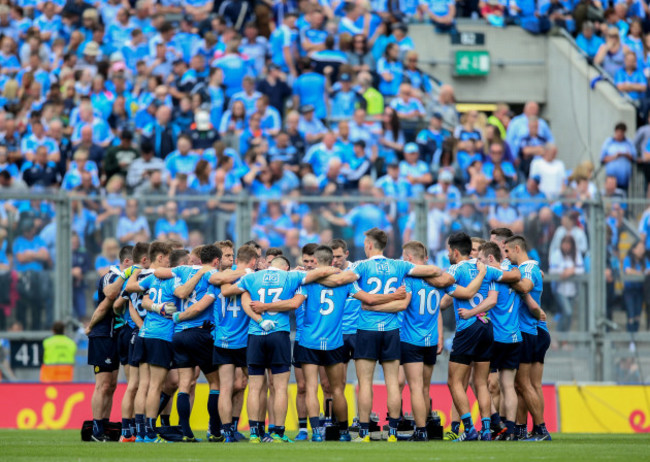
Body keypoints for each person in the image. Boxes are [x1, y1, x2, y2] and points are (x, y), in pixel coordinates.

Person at [314, 228, 443, 443]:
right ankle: (392, 432)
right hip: (392, 330)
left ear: (370, 245)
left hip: (367, 330)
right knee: (393, 383)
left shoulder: (362, 266)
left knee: (365, 383)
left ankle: (364, 432)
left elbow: (339, 280)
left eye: (365, 243)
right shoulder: (399, 265)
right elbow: (431, 271)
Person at [221, 256, 339, 443]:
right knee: (281, 387)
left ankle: (254, 434)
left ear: (270, 265)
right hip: (279, 333)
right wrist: (335, 270)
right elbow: (322, 272)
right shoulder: (291, 277)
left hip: (256, 334)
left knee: (255, 387)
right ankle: (278, 432)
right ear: (286, 267)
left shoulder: (252, 278)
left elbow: (227, 291)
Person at [433, 232, 519, 441]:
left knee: (455, 382)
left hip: (468, 327)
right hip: (487, 326)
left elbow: (446, 282)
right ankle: (487, 429)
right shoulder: (486, 268)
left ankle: (469, 428)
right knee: (481, 382)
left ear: (454, 251)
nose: (447, 254)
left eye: (448, 251)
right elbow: (514, 276)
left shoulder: (457, 268)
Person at [503, 234, 551, 441]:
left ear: (516, 248)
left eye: (507, 251)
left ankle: (540, 428)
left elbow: (525, 287)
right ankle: (522, 429)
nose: (506, 256)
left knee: (524, 384)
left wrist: (504, 277)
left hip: (526, 331)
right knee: (520, 385)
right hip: (524, 331)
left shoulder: (529, 269)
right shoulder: (524, 269)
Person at [85, 245, 133, 442]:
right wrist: (90, 327)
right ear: (127, 262)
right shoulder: (111, 275)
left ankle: (104, 424)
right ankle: (96, 428)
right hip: (103, 335)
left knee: (112, 385)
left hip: (117, 335)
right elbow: (108, 295)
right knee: (103, 385)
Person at [549, 235, 585, 335]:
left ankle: (564, 340)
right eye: (565, 243)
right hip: (559, 289)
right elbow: (552, 270)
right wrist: (566, 271)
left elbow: (581, 269)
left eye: (569, 243)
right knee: (567, 312)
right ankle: (557, 336)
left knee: (568, 315)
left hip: (572, 290)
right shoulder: (556, 254)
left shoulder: (576, 254)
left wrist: (571, 271)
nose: (566, 246)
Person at [600, 122, 636, 191]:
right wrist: (615, 156)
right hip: (611, 179)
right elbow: (603, 159)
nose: (620, 135)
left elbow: (634, 157)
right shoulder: (608, 142)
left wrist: (627, 155)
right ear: (615, 132)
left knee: (622, 196)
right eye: (618, 132)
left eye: (622, 133)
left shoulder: (628, 143)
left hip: (624, 179)